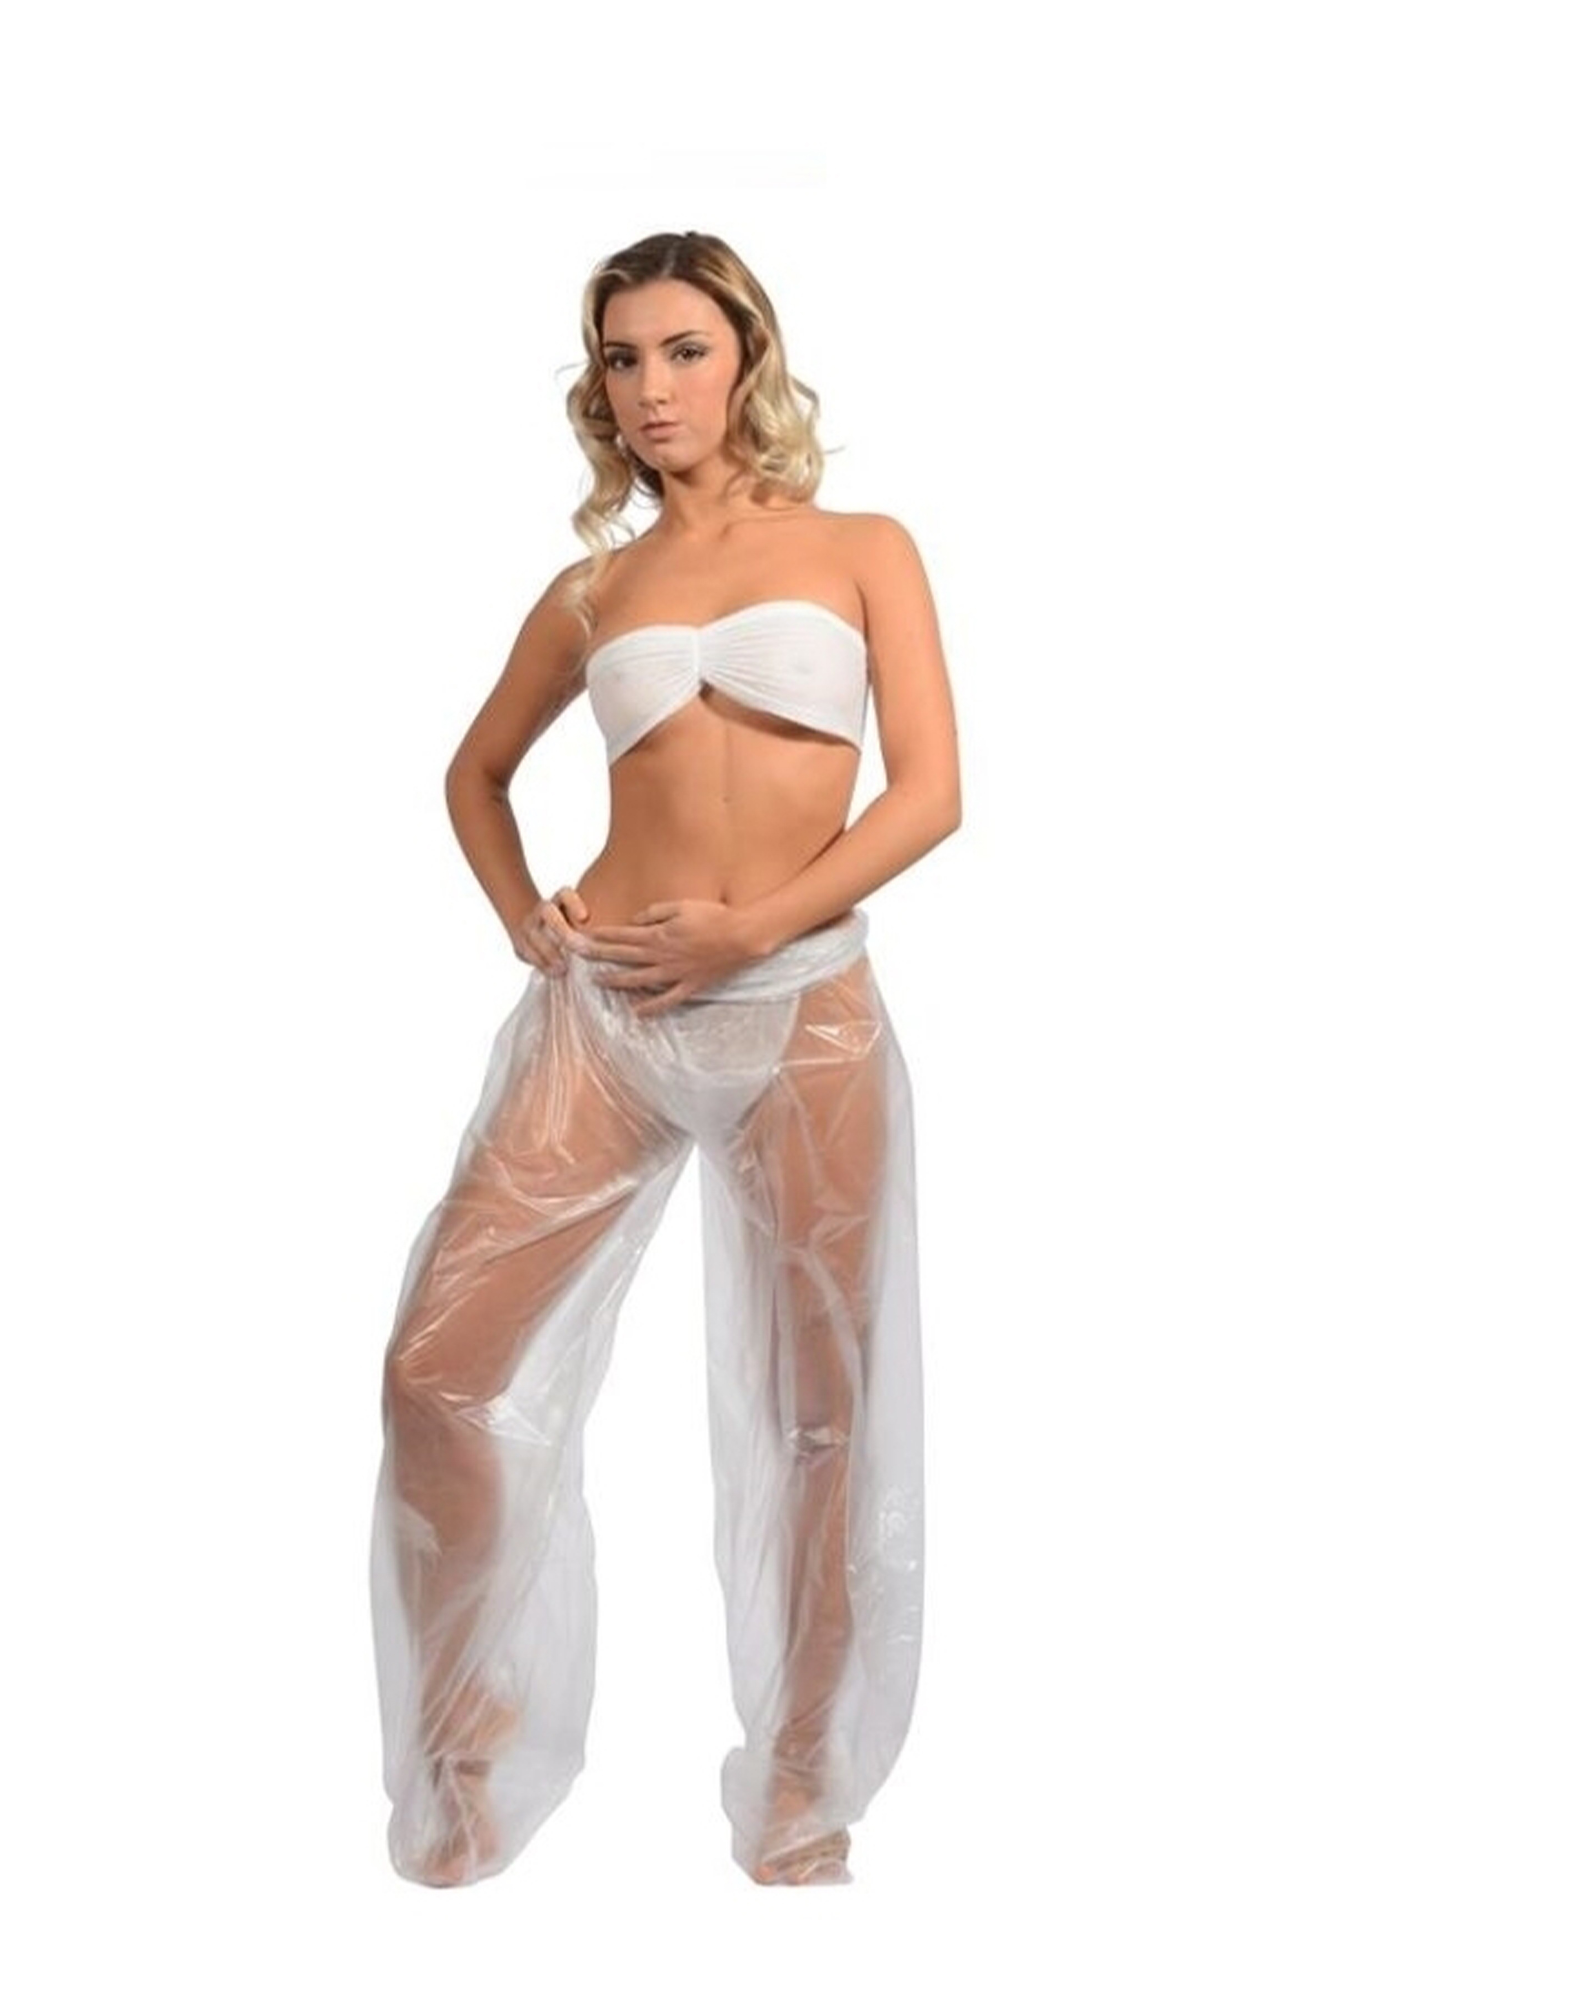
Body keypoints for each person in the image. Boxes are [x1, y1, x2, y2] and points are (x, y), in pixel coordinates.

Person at [369, 229, 961, 1888]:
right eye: (622, 360)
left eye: (684, 351)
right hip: (613, 1008)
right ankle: (468, 1753)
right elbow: (475, 774)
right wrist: (525, 918)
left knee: (822, 1414)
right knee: (436, 1372)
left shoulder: (863, 548)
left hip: (802, 1006)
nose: (652, 389)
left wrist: (749, 930)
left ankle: (803, 1788)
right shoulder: (593, 592)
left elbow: (930, 793)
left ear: (747, 355)